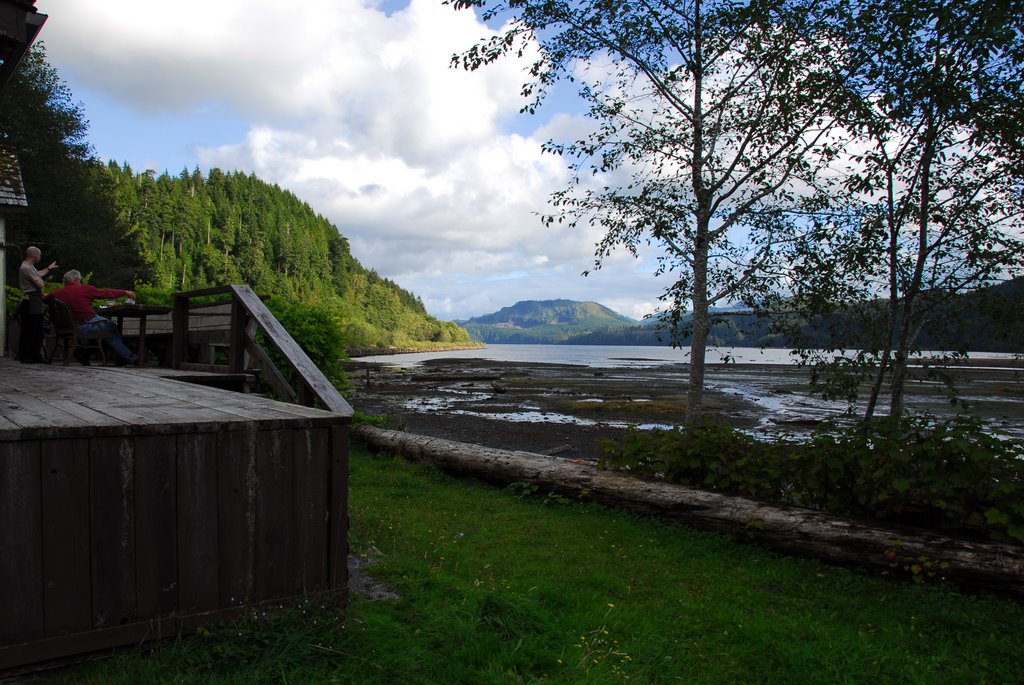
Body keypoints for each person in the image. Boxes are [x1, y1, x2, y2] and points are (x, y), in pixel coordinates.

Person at [44, 269, 138, 366]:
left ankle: (85, 353)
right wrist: (124, 292)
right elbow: (105, 293)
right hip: (86, 325)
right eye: (79, 280)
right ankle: (129, 357)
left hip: (70, 327)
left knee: (107, 329)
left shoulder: (57, 293)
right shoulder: (84, 289)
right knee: (111, 327)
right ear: (76, 280)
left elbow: (44, 299)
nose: (80, 282)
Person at [17, 246, 57, 363]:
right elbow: (39, 284)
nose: (40, 257)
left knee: (37, 330)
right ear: (34, 255)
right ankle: (26, 356)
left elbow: (37, 275)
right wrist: (41, 282)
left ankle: (35, 355)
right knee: (30, 330)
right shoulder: (26, 268)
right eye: (39, 255)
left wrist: (48, 269)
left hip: (35, 301)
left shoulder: (30, 267)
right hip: (31, 301)